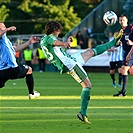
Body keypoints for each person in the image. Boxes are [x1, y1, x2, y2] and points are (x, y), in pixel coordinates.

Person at [40, 20, 122, 124]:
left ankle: (113, 42)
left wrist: (65, 43)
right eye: (58, 31)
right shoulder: (49, 38)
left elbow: (56, 47)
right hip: (69, 64)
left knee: (90, 52)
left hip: (70, 59)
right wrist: (64, 43)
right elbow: (55, 42)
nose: (59, 33)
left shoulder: (43, 39)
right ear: (55, 30)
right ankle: (82, 113)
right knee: (87, 85)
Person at [0, 22, 40, 99]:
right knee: (29, 69)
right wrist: (7, 29)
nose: (4, 28)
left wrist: (29, 42)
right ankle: (31, 93)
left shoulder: (5, 41)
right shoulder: (1, 39)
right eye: (2, 27)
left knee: (29, 70)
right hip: (11, 69)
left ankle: (32, 94)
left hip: (3, 71)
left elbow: (16, 49)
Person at [113, 15, 133, 97]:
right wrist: (118, 43)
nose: (122, 22)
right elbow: (119, 43)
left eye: (123, 20)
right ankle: (123, 91)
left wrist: (129, 53)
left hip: (131, 52)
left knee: (124, 69)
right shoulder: (121, 31)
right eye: (120, 20)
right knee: (131, 71)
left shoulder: (131, 29)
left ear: (127, 20)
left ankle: (123, 92)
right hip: (126, 51)